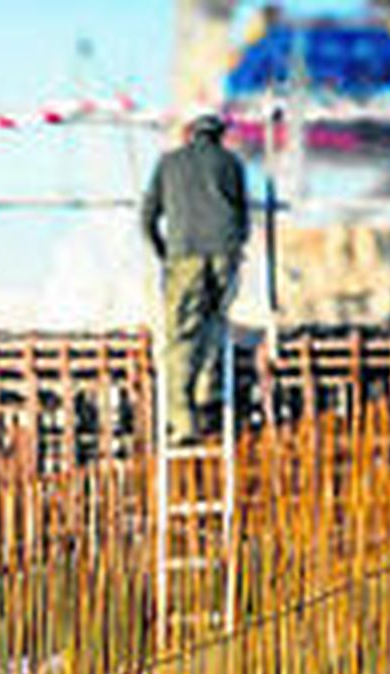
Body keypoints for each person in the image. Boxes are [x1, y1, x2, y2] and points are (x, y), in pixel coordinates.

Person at [141, 112, 249, 446]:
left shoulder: (169, 163)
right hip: (224, 252)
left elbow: (147, 218)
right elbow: (243, 219)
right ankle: (207, 392)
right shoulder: (231, 164)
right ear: (219, 136)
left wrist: (165, 253)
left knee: (181, 335)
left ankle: (184, 421)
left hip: (185, 253)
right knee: (216, 320)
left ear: (190, 135)